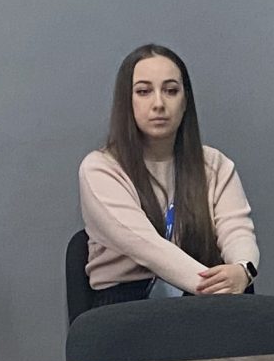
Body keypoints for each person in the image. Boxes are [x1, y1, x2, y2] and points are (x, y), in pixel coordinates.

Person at [76, 43, 259, 304]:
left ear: (185, 102)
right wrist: (213, 287)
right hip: (127, 305)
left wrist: (242, 270)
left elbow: (238, 230)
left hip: (201, 299)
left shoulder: (215, 164)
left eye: (171, 91)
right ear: (126, 102)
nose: (159, 103)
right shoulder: (100, 168)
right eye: (144, 92)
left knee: (247, 298)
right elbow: (146, 247)